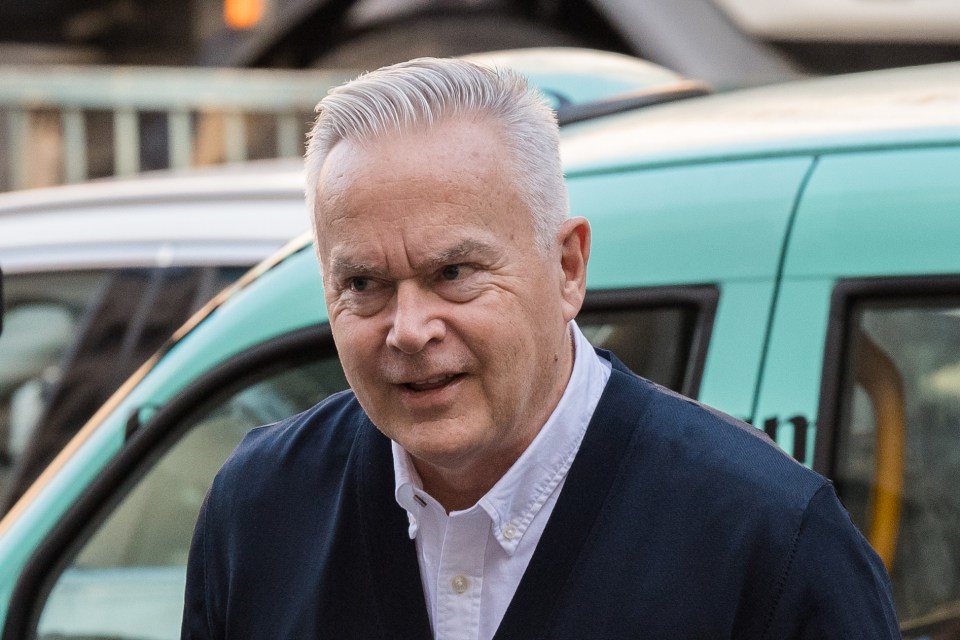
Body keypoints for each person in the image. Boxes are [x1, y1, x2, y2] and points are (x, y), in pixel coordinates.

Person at [181, 57, 900, 639]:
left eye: (453, 273)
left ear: (567, 269)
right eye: (364, 283)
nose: (407, 328)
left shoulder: (767, 537)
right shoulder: (261, 510)